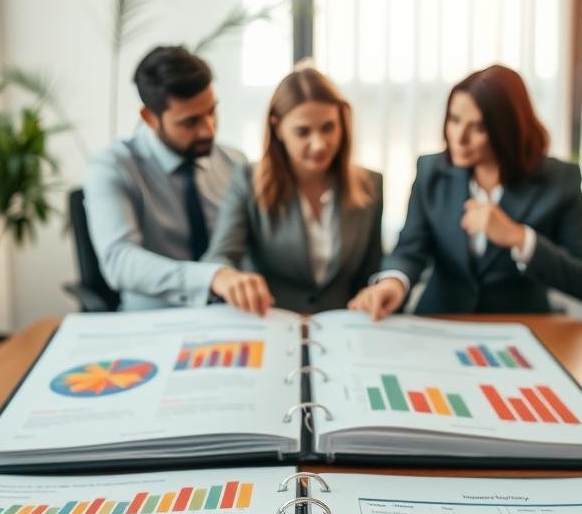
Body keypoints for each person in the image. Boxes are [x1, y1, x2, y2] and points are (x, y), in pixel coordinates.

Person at [349, 64, 582, 320]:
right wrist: (393, 282)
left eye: (479, 127)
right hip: (441, 322)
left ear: (508, 130)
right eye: (454, 120)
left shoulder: (559, 180)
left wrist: (520, 237)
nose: (458, 138)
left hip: (520, 328)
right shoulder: (431, 171)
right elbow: (410, 250)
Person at [202, 66, 383, 315]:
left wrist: (375, 293)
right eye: (303, 132)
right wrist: (227, 277)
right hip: (273, 323)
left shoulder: (370, 184)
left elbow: (371, 272)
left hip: (343, 328)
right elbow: (220, 257)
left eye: (328, 128)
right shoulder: (247, 180)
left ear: (343, 122)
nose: (319, 144)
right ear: (277, 128)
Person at [84, 45, 246, 310]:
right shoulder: (112, 166)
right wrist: (211, 278)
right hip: (152, 320)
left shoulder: (234, 162)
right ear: (149, 117)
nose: (208, 130)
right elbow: (119, 260)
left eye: (211, 112)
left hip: (229, 315)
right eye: (190, 122)